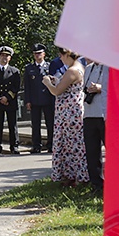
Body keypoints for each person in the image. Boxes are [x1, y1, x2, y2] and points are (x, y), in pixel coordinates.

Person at [42, 48, 89, 185]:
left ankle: (77, 176)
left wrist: (47, 83)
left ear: (68, 55)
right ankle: (71, 175)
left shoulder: (72, 70)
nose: (60, 58)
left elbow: (57, 91)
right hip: (70, 110)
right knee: (71, 144)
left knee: (71, 144)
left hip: (69, 112)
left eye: (61, 55)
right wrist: (56, 80)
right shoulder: (78, 67)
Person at [0, 46, 21, 155]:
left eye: (6, 56)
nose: (4, 58)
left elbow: (16, 87)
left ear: (10, 58)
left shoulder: (14, 71)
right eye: (2, 55)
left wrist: (7, 97)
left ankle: (14, 146)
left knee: (12, 125)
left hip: (10, 101)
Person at [23, 43, 56, 153]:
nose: (37, 56)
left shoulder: (49, 66)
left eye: (39, 53)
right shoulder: (29, 68)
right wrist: (27, 100)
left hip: (47, 99)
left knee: (50, 123)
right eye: (35, 54)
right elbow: (27, 86)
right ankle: (36, 145)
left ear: (44, 54)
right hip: (35, 100)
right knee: (35, 124)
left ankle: (51, 144)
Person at [82, 60, 108, 193]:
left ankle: (115, 184)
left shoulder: (109, 66)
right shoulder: (88, 68)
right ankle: (97, 184)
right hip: (89, 114)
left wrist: (100, 88)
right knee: (92, 152)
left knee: (111, 151)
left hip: (104, 114)